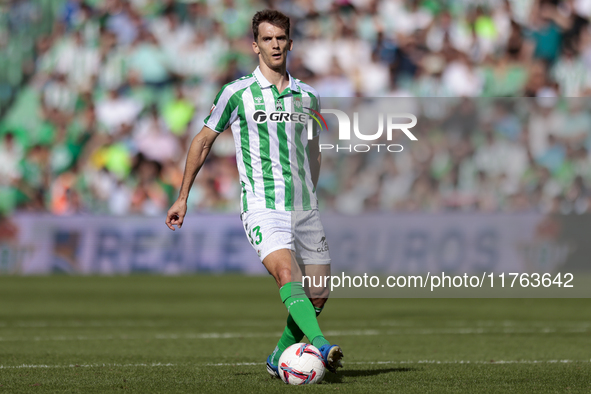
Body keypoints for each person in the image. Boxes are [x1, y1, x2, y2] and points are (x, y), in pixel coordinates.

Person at [164, 9, 343, 377]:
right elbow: (202, 142)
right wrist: (183, 196)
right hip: (262, 205)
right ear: (255, 45)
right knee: (286, 273)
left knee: (320, 289)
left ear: (290, 43)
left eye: (280, 38)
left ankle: (278, 355)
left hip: (304, 206)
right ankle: (322, 347)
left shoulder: (309, 97)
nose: (275, 44)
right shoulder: (236, 93)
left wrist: (312, 190)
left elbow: (313, 149)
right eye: (267, 38)